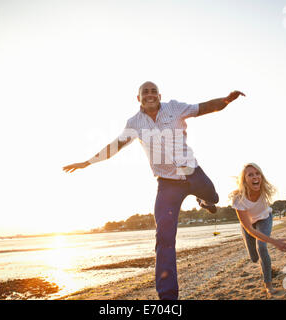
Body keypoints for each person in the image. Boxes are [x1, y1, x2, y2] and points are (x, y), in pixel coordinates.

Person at [63, 81, 245, 300]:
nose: (149, 95)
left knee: (213, 197)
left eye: (153, 91)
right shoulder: (135, 123)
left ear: (159, 95)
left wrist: (225, 101)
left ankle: (204, 201)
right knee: (164, 238)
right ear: (138, 98)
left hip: (192, 172)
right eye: (144, 92)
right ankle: (168, 297)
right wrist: (88, 162)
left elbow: (203, 107)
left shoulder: (175, 108)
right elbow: (115, 146)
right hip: (167, 184)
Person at [229, 163, 286, 297]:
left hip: (265, 218)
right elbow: (249, 228)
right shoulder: (238, 198)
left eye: (257, 174)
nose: (255, 177)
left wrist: (271, 242)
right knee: (253, 257)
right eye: (250, 175)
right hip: (249, 225)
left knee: (262, 247)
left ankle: (268, 285)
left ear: (261, 176)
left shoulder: (265, 189)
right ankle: (265, 266)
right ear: (244, 180)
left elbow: (262, 239)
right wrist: (275, 241)